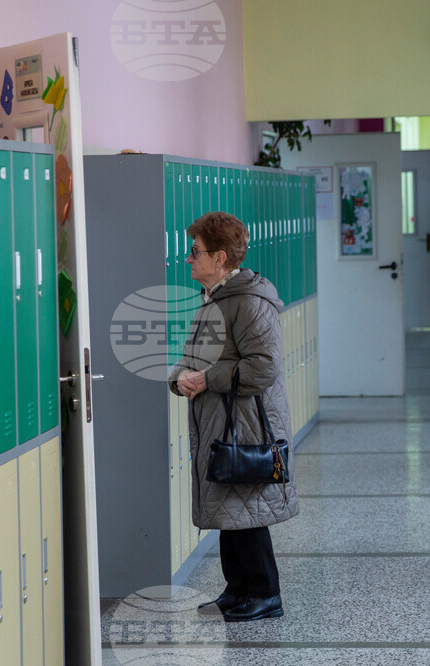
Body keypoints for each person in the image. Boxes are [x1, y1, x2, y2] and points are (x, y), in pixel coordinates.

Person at [169, 211, 299, 622]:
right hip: (222, 421)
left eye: (195, 252)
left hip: (247, 424)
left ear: (220, 257)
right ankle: (238, 588)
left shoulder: (249, 302)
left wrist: (207, 379)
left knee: (248, 508)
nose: (188, 259)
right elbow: (196, 361)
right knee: (230, 505)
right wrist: (180, 378)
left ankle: (265, 593)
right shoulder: (215, 299)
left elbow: (263, 368)